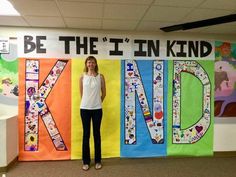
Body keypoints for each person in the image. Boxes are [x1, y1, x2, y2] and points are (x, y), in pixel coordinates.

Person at [79, 56, 106, 171]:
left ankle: (98, 161)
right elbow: (82, 94)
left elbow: (104, 93)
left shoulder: (101, 77)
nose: (91, 64)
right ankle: (86, 161)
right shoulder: (82, 77)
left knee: (97, 134)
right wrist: (88, 102)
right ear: (86, 64)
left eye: (93, 62)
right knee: (86, 135)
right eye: (89, 62)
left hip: (97, 109)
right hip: (84, 109)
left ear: (95, 64)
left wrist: (97, 103)